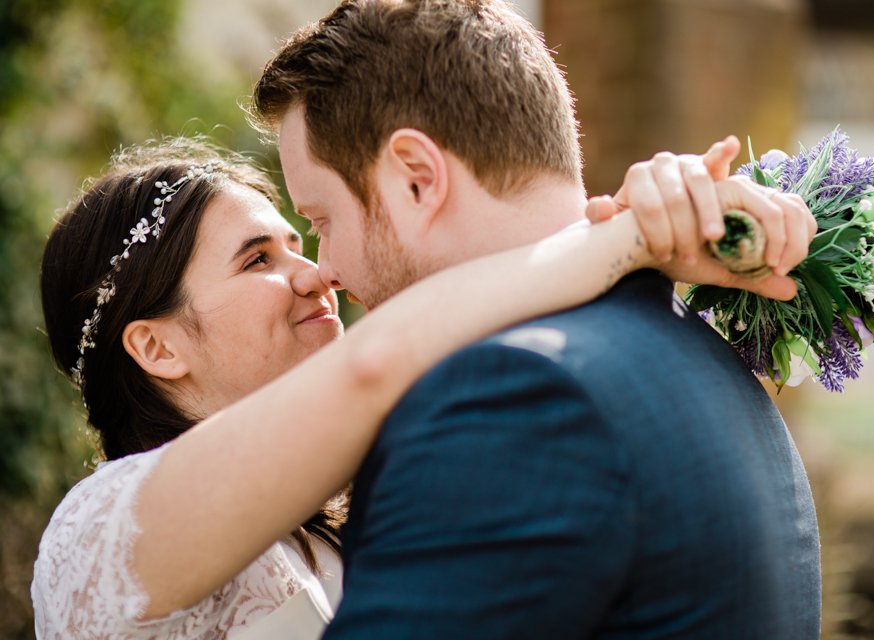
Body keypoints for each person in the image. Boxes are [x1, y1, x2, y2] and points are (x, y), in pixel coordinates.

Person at [31, 130, 800, 638]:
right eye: (257, 260)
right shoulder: (95, 534)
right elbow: (382, 358)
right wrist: (627, 239)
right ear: (157, 346)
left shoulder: (344, 505)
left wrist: (657, 213)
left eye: (299, 244)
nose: (317, 275)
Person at [251, 1, 822, 638]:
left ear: (417, 179)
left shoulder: (512, 396)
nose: (323, 267)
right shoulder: (695, 347)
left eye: (322, 219)